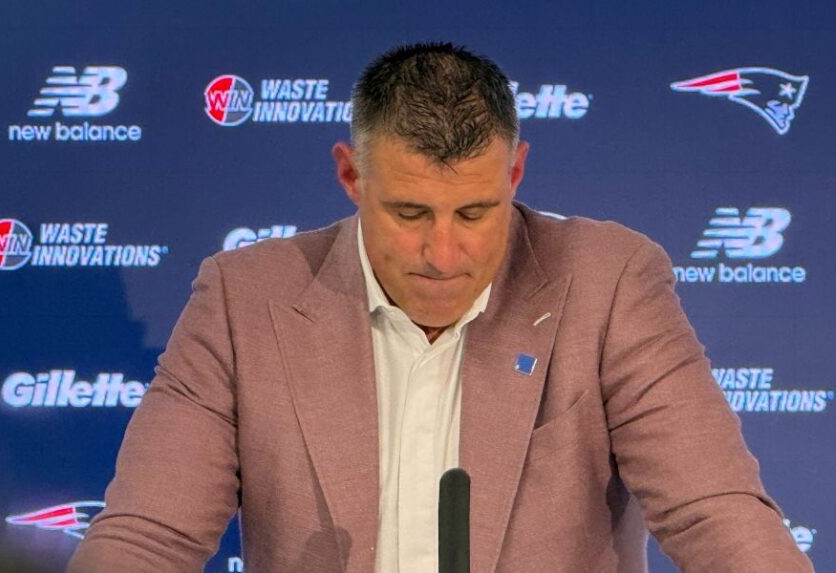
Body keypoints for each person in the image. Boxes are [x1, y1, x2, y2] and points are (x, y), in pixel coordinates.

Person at [68, 43, 814, 573]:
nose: (444, 252)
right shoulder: (243, 299)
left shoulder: (608, 282)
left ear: (516, 172)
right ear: (351, 175)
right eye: (410, 212)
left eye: (476, 211)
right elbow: (150, 536)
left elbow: (715, 512)